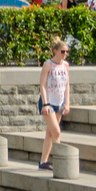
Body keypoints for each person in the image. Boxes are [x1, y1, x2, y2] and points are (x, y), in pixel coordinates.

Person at [37, 37, 71, 171]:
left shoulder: (66, 65)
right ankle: (60, 162)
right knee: (56, 132)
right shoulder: (48, 65)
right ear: (55, 51)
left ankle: (43, 162)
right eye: (63, 51)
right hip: (48, 102)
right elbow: (42, 85)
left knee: (50, 133)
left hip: (59, 102)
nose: (65, 54)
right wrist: (45, 104)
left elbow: (67, 85)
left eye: (67, 52)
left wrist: (67, 103)